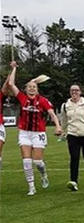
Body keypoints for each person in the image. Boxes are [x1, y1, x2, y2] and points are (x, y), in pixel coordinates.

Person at [3, 61, 62, 196]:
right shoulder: (22, 98)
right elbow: (11, 84)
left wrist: (58, 126)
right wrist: (14, 68)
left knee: (38, 161)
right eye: (29, 87)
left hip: (38, 133)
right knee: (27, 161)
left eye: (33, 87)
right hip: (24, 132)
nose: (31, 89)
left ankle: (43, 174)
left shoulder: (43, 101)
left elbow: (52, 114)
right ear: (26, 89)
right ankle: (31, 187)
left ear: (37, 89)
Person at [60, 84, 84, 191]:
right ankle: (73, 181)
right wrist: (62, 131)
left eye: (76, 90)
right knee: (74, 157)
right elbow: (64, 120)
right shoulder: (65, 105)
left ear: (80, 92)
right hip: (73, 134)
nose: (74, 92)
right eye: (72, 90)